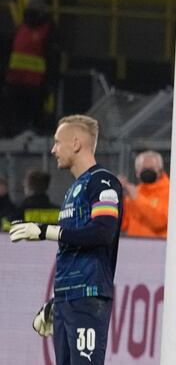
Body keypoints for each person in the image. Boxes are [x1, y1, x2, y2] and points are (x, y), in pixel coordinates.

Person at [9, 114, 123, 364]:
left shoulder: (103, 182)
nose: (53, 149)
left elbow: (102, 232)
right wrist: (57, 301)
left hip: (88, 298)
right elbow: (73, 247)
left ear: (75, 143)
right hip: (67, 300)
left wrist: (44, 231)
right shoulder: (73, 189)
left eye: (57, 142)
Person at [2, 0, 60, 136]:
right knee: (31, 123)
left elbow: (7, 54)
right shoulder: (47, 30)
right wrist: (50, 84)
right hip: (33, 85)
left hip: (17, 84)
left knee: (16, 122)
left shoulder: (20, 30)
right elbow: (52, 59)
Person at [120, 150, 169, 238]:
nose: (147, 172)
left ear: (161, 171)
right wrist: (119, 199)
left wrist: (137, 198)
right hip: (133, 246)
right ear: (137, 173)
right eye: (144, 169)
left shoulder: (170, 191)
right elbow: (123, 225)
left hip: (158, 248)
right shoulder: (134, 193)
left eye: (151, 169)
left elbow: (160, 223)